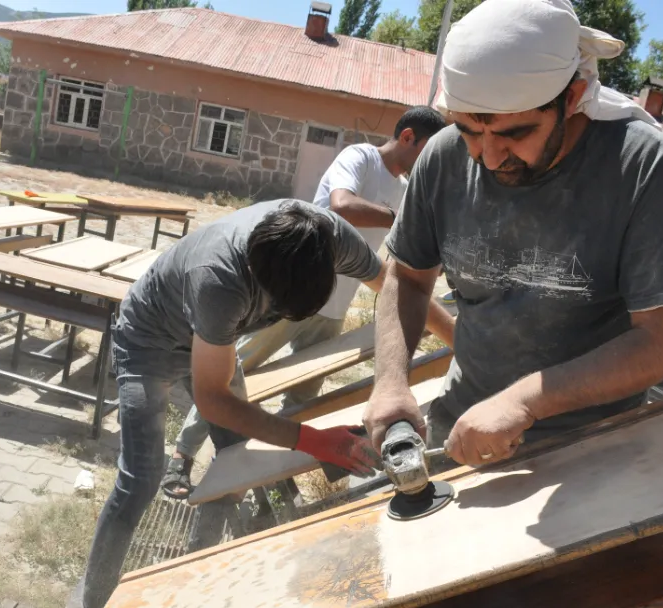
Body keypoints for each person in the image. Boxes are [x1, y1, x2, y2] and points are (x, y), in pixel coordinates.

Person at [363, 1, 663, 608]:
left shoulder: (643, 169)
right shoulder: (442, 159)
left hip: (598, 452)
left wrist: (527, 400)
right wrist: (389, 381)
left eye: (514, 134)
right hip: (467, 441)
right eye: (470, 130)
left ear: (574, 96)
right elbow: (406, 278)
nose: (488, 158)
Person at [77, 199, 455, 608]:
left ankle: (206, 561)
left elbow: (396, 286)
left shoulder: (327, 236)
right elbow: (213, 400)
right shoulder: (219, 282)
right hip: (150, 342)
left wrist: (461, 345)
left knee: (237, 458)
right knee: (142, 476)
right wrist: (310, 439)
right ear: (257, 274)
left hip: (213, 340)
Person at [160, 106, 449, 499]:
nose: (431, 161)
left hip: (330, 309)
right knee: (230, 378)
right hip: (289, 293)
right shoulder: (360, 157)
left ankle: (272, 474)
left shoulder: (403, 187)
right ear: (408, 137)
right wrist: (399, 217)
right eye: (430, 149)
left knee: (302, 399)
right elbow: (341, 205)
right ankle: (182, 456)